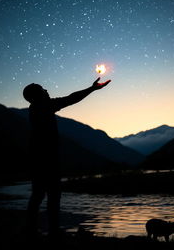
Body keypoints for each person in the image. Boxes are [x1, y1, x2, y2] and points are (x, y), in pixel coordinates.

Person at [23, 77, 111, 237]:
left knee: (39, 195)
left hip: (39, 159)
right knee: (51, 196)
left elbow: (69, 98)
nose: (47, 90)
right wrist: (92, 89)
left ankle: (33, 231)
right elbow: (71, 99)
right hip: (46, 160)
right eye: (43, 89)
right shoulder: (43, 107)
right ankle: (51, 233)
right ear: (38, 95)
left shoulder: (37, 108)